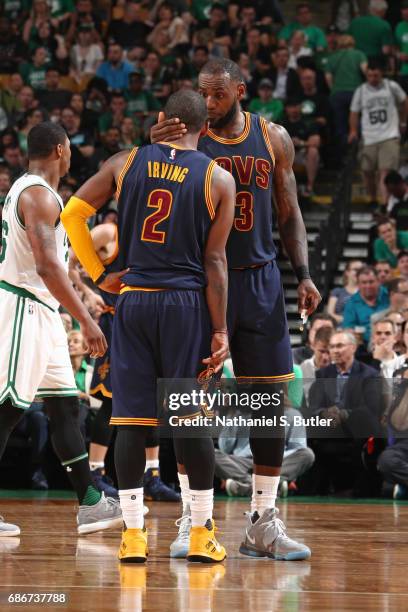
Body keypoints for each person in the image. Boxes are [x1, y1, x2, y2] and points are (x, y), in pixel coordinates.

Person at [150, 58, 321, 561]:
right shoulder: (184, 138)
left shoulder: (274, 139)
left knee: (269, 407)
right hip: (199, 283)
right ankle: (194, 519)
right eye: (203, 94)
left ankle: (262, 523)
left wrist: (304, 273)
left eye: (218, 94)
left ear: (240, 90)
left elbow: (289, 213)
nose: (208, 103)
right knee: (190, 406)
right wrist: (155, 146)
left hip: (262, 279)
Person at [61, 89, 236, 563]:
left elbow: (72, 214)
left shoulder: (126, 160)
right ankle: (200, 533)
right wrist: (220, 331)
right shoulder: (218, 178)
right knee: (189, 421)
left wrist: (98, 275)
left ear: (163, 119)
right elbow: (216, 261)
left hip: (134, 301)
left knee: (130, 422)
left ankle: (133, 535)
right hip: (185, 305)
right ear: (206, 129)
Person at [0, 121, 122, 536]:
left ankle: (90, 502)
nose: (71, 155)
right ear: (58, 149)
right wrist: (88, 321)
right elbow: (47, 267)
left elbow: (60, 266)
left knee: (64, 405)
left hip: (45, 311)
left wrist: (87, 292)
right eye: (69, 149)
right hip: (22, 307)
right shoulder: (36, 194)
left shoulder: (46, 196)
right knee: (8, 410)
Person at [69, 220, 180, 502]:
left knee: (152, 401)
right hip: (114, 324)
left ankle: (151, 476)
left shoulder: (152, 232)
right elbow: (70, 260)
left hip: (146, 324)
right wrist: (87, 290)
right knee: (110, 399)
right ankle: (95, 473)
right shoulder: (109, 231)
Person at [308, 330, 386, 494]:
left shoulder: (369, 375)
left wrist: (345, 414)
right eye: (332, 347)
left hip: (355, 430)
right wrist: (324, 413)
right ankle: (313, 490)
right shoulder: (322, 374)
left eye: (339, 346)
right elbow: (314, 406)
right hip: (328, 428)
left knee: (365, 419)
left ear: (353, 348)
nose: (335, 350)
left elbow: (372, 408)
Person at [349, 62, 408, 206]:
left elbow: (405, 101)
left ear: (381, 74)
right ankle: (373, 198)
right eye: (370, 75)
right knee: (367, 171)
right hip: (369, 137)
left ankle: (384, 204)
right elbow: (354, 112)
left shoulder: (391, 86)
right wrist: (353, 131)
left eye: (376, 75)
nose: (373, 78)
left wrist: (403, 122)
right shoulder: (361, 90)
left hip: (389, 135)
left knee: (385, 172)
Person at [325, 34, 367, 151]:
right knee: (357, 120)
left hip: (337, 94)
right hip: (355, 92)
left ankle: (344, 151)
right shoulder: (359, 54)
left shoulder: (332, 57)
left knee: (340, 125)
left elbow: (328, 78)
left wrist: (334, 89)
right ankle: (357, 147)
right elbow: (365, 70)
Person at [342, 266, 390, 344]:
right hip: (363, 347)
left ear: (378, 281)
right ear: (358, 284)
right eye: (364, 282)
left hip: (389, 340)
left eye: (371, 282)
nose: (368, 286)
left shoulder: (389, 295)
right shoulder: (351, 303)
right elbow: (348, 328)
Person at [300, 326, 334, 406]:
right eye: (322, 351)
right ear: (313, 346)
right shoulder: (303, 368)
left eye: (329, 352)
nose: (326, 357)